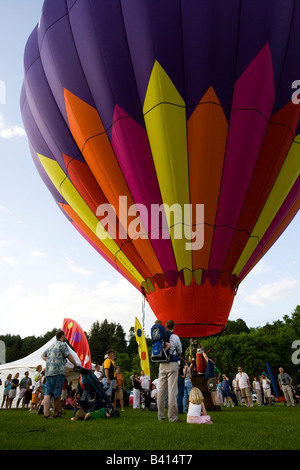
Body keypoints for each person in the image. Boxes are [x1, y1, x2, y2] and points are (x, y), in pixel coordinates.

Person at [41, 329, 78, 419]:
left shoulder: (51, 346)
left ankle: (46, 414)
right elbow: (69, 356)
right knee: (57, 394)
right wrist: (75, 364)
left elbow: (42, 355)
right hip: (58, 372)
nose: (65, 337)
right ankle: (55, 413)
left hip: (49, 372)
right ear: (62, 336)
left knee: (48, 393)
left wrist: (48, 360)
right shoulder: (62, 345)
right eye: (64, 336)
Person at [157, 319, 182, 422]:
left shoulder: (160, 336)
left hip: (162, 364)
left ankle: (161, 416)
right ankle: (172, 417)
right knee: (172, 391)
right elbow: (180, 351)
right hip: (172, 364)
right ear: (174, 327)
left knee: (161, 391)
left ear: (165, 326)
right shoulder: (175, 337)